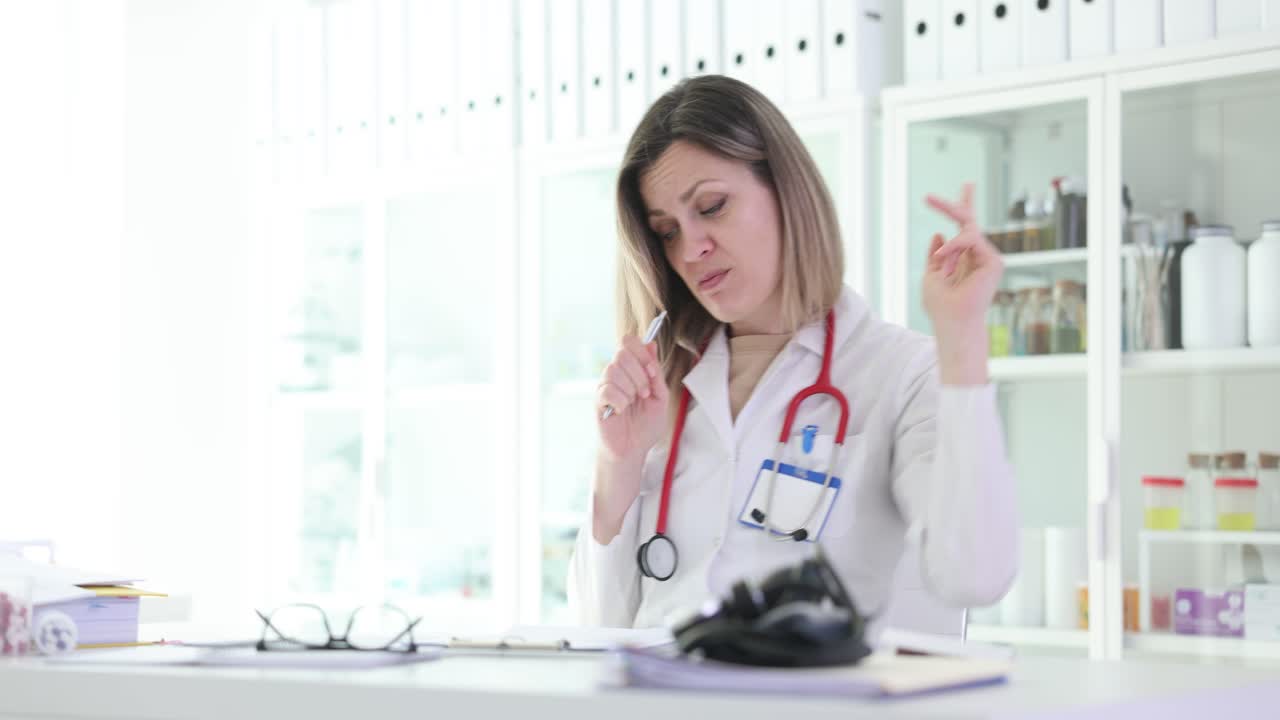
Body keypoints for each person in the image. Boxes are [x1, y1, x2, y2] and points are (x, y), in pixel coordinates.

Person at [568, 75, 1018, 633]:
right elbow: (596, 628)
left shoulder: (903, 374)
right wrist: (620, 463)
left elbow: (975, 578)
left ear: (786, 190)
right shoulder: (663, 394)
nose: (690, 248)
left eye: (711, 207)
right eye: (665, 231)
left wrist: (964, 335)